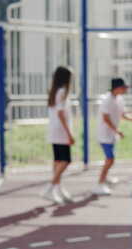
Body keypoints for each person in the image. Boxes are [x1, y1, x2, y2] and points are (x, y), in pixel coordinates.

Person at [93, 77, 132, 196]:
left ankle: (105, 178)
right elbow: (105, 118)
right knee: (110, 159)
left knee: (109, 159)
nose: (126, 89)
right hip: (104, 134)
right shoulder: (107, 100)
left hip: (111, 135)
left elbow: (122, 114)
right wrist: (117, 131)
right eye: (124, 87)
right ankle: (99, 184)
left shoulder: (119, 99)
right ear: (118, 88)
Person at [41, 66, 75, 205]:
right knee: (66, 161)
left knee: (58, 161)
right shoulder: (61, 92)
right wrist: (69, 133)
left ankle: (57, 188)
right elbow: (61, 114)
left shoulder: (54, 91)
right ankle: (50, 187)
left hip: (55, 130)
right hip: (60, 131)